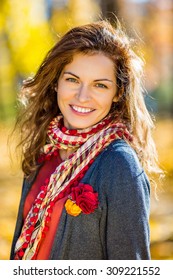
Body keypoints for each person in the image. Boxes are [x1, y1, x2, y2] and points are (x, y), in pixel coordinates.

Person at [10, 19, 162, 260]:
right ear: (56, 82)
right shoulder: (46, 151)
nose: (82, 96)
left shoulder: (119, 165)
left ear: (117, 94)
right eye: (72, 80)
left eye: (100, 85)